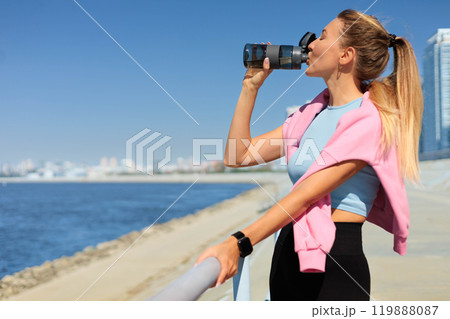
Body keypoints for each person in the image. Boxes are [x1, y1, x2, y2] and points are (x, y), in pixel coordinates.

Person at [195, 8, 423, 301]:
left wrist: (238, 243)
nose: (310, 44)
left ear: (345, 56)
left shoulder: (370, 121)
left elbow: (304, 195)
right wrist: (249, 88)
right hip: (288, 254)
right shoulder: (309, 115)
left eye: (322, 37)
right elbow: (238, 156)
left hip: (335, 263)